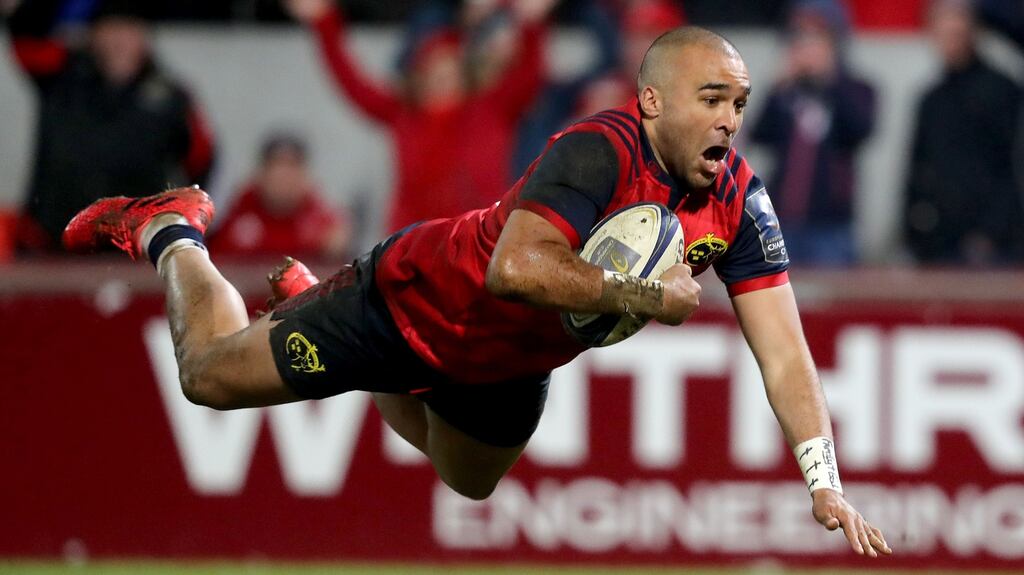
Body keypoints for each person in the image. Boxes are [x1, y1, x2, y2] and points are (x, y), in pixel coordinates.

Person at [64, 27, 891, 557]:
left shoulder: (741, 201)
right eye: (711, 100)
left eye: (739, 103)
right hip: (412, 300)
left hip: (506, 365)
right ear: (651, 102)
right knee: (206, 375)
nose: (729, 120)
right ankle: (171, 227)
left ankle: (312, 301)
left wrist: (823, 478)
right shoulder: (597, 151)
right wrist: (643, 296)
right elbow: (514, 270)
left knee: (469, 481)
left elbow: (786, 354)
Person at [285, 0, 552, 233]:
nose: (442, 74)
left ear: (464, 71)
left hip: (480, 242)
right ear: (419, 74)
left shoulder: (490, 107)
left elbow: (529, 76)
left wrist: (531, 24)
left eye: (450, 66)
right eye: (434, 67)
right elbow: (353, 83)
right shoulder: (404, 113)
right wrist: (324, 22)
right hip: (415, 247)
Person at [4, 0, 216, 252]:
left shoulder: (171, 97)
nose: (119, 40)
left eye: (128, 29)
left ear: (144, 36)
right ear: (93, 35)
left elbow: (202, 158)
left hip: (133, 248)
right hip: (52, 241)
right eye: (110, 29)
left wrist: (177, 225)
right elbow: (26, 36)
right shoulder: (61, 73)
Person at [750, 0, 875, 265]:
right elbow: (759, 134)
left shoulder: (857, 88)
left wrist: (829, 79)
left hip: (831, 225)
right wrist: (776, 89)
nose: (807, 46)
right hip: (780, 221)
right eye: (800, 37)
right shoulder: (787, 91)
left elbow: (860, 130)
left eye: (817, 37)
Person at [903, 0, 1024, 265]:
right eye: (942, 32)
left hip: (993, 243)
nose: (949, 41)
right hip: (938, 241)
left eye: (956, 32)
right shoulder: (931, 99)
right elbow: (917, 168)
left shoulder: (1001, 91)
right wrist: (912, 233)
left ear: (973, 32)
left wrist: (991, 232)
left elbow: (1011, 168)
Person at [206, 132, 351, 260]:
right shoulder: (237, 210)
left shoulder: (322, 221)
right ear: (262, 173)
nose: (284, 177)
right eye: (277, 166)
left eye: (292, 167)